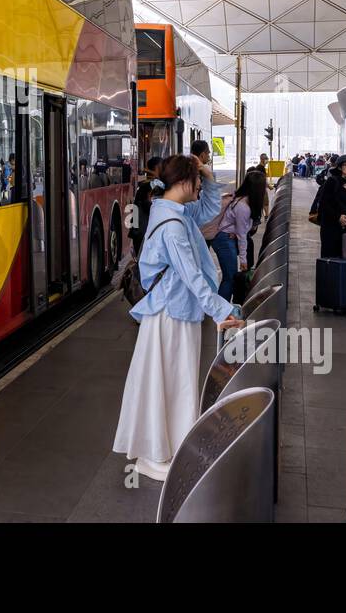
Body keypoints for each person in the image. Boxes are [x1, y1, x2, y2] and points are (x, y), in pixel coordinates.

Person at [114, 154, 244, 481]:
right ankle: (161, 450)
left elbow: (209, 208)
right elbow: (192, 278)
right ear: (183, 182)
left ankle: (163, 446)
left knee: (168, 381)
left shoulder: (172, 210)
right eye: (197, 181)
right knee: (176, 381)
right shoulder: (173, 225)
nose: (201, 186)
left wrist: (208, 176)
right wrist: (221, 310)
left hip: (172, 311)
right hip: (173, 313)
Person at [211, 167, 267, 304]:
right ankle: (221, 311)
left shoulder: (242, 199)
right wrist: (243, 260)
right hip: (223, 239)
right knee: (229, 277)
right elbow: (242, 236)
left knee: (229, 276)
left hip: (226, 237)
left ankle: (222, 309)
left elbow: (240, 232)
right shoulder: (243, 207)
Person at [317, 157, 346, 258]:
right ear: (339, 168)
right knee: (329, 257)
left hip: (345, 227)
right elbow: (324, 203)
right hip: (329, 226)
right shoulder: (332, 182)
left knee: (342, 257)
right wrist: (338, 217)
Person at [130, 156, 163, 257]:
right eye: (162, 167)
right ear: (157, 168)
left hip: (139, 234)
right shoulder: (155, 186)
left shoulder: (143, 186)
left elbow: (135, 210)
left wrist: (135, 233)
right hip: (147, 234)